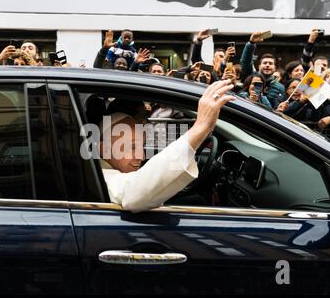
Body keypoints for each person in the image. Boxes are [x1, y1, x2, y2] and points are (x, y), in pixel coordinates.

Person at [98, 79, 235, 212]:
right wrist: (200, 128)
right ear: (104, 150)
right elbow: (132, 193)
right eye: (132, 147)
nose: (141, 155)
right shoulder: (100, 175)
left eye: (142, 146)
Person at [240, 32, 286, 108]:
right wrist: (251, 43)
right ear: (259, 66)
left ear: (274, 68)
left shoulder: (280, 87)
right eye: (265, 63)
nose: (267, 65)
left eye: (270, 63)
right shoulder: (251, 77)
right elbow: (246, 62)